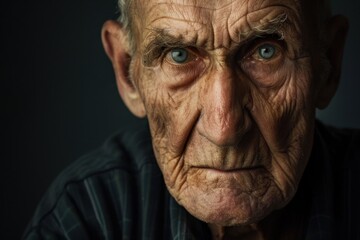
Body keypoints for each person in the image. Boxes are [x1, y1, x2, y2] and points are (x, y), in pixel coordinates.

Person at [23, 0, 360, 239]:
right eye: (178, 55)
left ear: (327, 64)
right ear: (128, 72)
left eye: (266, 51)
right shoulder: (89, 215)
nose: (224, 129)